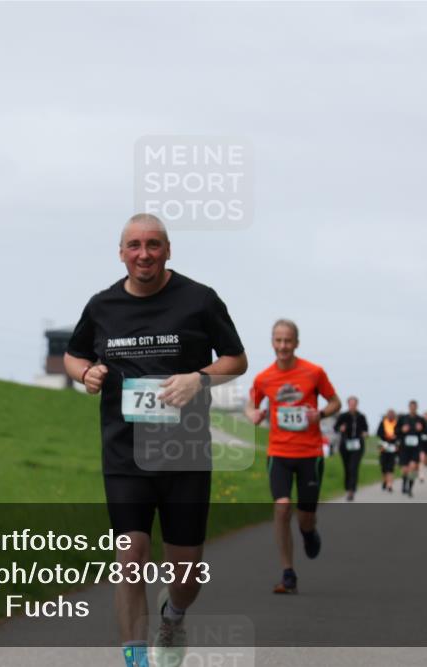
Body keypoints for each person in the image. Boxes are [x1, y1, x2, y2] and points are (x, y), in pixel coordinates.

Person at [64, 213, 248, 667]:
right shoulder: (102, 305)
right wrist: (86, 373)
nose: (143, 253)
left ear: (168, 250)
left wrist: (197, 380)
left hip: (183, 454)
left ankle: (175, 613)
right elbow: (73, 354)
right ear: (122, 253)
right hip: (124, 455)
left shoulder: (199, 300)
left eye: (153, 245)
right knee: (130, 557)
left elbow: (236, 359)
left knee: (184, 572)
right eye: (134, 246)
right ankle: (136, 659)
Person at [246, 319, 341, 594]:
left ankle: (309, 533)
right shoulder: (263, 378)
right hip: (279, 453)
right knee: (282, 506)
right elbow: (250, 405)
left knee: (305, 517)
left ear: (296, 343)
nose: (283, 346)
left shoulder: (314, 372)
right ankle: (288, 573)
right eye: (278, 340)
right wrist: (253, 414)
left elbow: (335, 401)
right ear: (272, 342)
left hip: (310, 454)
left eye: (288, 340)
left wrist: (320, 414)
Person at [333, 396, 369, 501]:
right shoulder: (343, 416)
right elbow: (335, 428)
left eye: (354, 404)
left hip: (357, 445)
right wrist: (340, 428)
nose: (352, 406)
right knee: (347, 467)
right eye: (350, 404)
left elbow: (366, 429)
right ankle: (347, 487)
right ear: (348, 404)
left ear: (357, 405)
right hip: (345, 445)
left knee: (353, 467)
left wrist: (365, 433)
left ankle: (351, 490)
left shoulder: (361, 416)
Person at [396, 400, 427, 497]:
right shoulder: (403, 418)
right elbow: (396, 431)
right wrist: (402, 430)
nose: (413, 408)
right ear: (409, 407)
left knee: (413, 468)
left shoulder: (421, 419)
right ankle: (404, 483)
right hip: (405, 447)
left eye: (414, 407)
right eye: (411, 407)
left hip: (416, 448)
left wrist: (421, 429)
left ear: (417, 407)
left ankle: (410, 488)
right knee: (405, 469)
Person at [376, 409, 399, 493]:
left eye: (392, 415)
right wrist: (386, 436)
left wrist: (394, 437)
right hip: (383, 446)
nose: (391, 416)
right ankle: (384, 481)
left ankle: (390, 484)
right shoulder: (383, 423)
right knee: (384, 466)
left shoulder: (397, 423)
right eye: (389, 414)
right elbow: (378, 433)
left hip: (393, 447)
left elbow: (399, 433)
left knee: (391, 466)